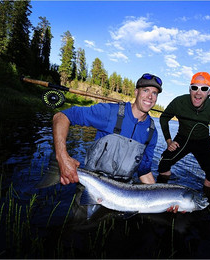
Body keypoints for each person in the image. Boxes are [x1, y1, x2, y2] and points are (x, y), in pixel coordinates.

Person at [52, 73, 179, 217]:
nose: (150, 96)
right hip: (94, 185)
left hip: (125, 193)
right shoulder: (110, 112)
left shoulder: (151, 132)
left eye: (154, 93)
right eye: (146, 90)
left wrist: (164, 199)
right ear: (136, 92)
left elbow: (143, 171)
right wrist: (62, 156)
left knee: (112, 234)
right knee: (79, 230)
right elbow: (62, 116)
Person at [157, 72, 210, 197]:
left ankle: (207, 203)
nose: (198, 92)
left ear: (209, 92)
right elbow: (164, 118)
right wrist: (169, 141)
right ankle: (163, 194)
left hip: (203, 141)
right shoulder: (179, 101)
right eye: (194, 88)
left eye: (204, 88)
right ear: (189, 89)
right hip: (182, 138)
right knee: (163, 164)